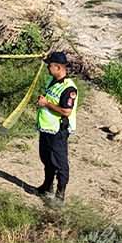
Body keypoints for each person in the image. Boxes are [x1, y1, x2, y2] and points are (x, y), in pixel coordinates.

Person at [35, 51, 78, 202]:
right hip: (46, 128)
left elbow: (66, 111)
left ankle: (60, 193)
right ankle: (47, 186)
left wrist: (46, 104)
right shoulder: (52, 81)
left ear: (58, 67)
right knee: (46, 159)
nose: (48, 68)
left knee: (60, 163)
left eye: (50, 65)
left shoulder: (69, 88)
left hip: (58, 131)